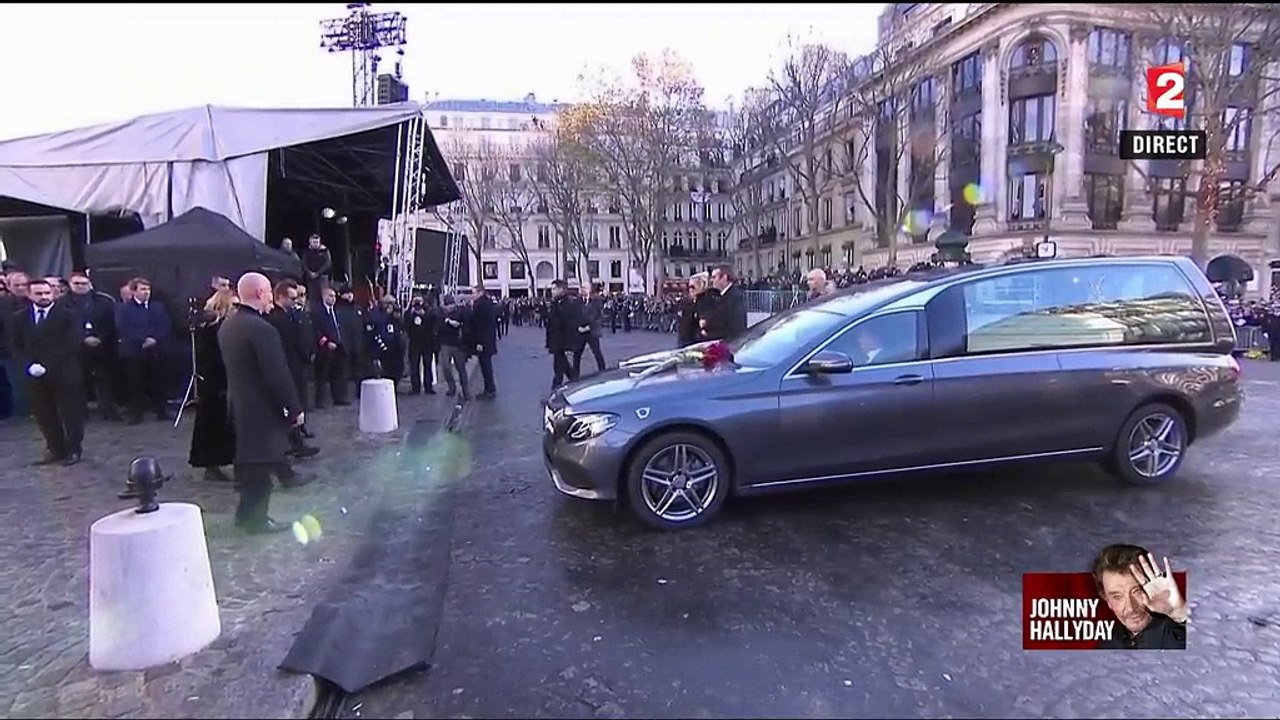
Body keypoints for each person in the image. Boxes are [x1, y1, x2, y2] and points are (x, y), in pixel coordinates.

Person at [219, 273, 308, 535]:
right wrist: (293, 409)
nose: (271, 296)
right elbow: (276, 373)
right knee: (260, 466)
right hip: (262, 407)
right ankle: (256, 519)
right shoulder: (262, 329)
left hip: (240, 403)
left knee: (248, 463)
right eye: (269, 291)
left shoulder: (229, 325)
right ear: (260, 293)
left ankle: (245, 513)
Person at [9, 278, 85, 465]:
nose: (43, 297)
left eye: (46, 293)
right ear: (29, 295)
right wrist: (29, 364)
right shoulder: (18, 318)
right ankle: (55, 448)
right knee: (44, 414)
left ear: (52, 293)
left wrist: (47, 364)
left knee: (71, 413)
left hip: (64, 372)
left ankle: (73, 450)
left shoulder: (69, 315)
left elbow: (72, 343)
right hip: (34, 375)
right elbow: (15, 346)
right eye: (38, 293)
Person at [1092, 544, 1188, 650]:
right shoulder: (1108, 642)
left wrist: (1180, 614)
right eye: (1117, 597)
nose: (1131, 608)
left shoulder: (1178, 637)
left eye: (1138, 591)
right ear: (1107, 600)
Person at [188, 288, 237, 483]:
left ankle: (220, 461)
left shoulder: (221, 328)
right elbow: (210, 359)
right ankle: (211, 464)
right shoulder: (212, 330)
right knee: (214, 425)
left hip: (220, 381)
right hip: (216, 384)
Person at [62, 272, 120, 421]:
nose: (81, 286)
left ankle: (109, 410)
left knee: (105, 380)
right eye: (77, 284)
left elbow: (112, 323)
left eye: (83, 283)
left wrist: (100, 337)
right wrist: (83, 338)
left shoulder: (104, 301)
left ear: (89, 284)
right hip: (76, 349)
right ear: (70, 284)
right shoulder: (61, 303)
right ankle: (80, 413)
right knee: (78, 381)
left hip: (102, 347)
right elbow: (63, 326)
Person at [115, 277, 172, 424]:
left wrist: (154, 338)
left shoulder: (158, 307)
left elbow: (165, 325)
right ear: (134, 291)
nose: (146, 292)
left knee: (159, 382)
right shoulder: (124, 308)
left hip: (156, 350)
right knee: (136, 383)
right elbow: (124, 328)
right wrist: (142, 339)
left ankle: (162, 411)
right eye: (142, 289)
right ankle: (136, 414)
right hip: (134, 351)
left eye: (148, 289)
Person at [311, 286, 351, 408]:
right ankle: (320, 401)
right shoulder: (317, 312)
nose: (333, 299)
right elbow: (316, 330)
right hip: (324, 347)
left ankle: (339, 397)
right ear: (324, 296)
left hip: (339, 346)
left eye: (334, 296)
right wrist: (326, 342)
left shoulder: (337, 311)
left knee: (339, 373)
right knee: (322, 375)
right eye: (330, 296)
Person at [545, 279, 587, 390]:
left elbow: (568, 324)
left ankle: (554, 393)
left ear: (561, 289)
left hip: (561, 343)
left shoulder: (565, 304)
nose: (552, 291)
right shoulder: (556, 303)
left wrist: (569, 344)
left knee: (559, 371)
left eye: (554, 289)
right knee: (565, 370)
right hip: (557, 343)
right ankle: (577, 386)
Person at [436, 294, 470, 400]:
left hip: (458, 344)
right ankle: (452, 387)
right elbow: (438, 327)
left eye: (451, 305)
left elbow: (464, 325)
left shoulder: (459, 312)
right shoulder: (440, 314)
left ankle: (466, 391)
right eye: (448, 305)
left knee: (461, 368)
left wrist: (455, 323)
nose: (449, 307)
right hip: (445, 342)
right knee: (445, 367)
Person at [703, 264, 747, 342]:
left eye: (714, 277)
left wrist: (708, 332)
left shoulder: (735, 297)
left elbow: (736, 328)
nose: (711, 280)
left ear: (724, 277)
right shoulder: (722, 295)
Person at [469, 285, 499, 399]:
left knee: (486, 366)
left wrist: (480, 342)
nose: (472, 295)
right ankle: (489, 389)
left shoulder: (481, 305)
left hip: (484, 341)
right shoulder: (486, 303)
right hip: (487, 340)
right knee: (486, 366)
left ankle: (490, 390)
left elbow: (482, 326)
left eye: (474, 293)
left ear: (480, 293)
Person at [403, 294, 437, 394]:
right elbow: (405, 324)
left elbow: (434, 319)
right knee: (414, 365)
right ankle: (415, 387)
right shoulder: (409, 313)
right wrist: (411, 312)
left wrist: (424, 313)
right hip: (414, 342)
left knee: (428, 365)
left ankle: (428, 386)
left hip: (427, 342)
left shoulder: (428, 311)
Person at [573, 283, 607, 374]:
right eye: (582, 288)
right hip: (579, 332)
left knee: (597, 353)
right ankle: (575, 376)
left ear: (589, 289)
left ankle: (603, 372)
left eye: (585, 288)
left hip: (592, 331)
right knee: (576, 355)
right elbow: (572, 316)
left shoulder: (596, 301)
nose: (583, 290)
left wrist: (590, 327)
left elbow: (600, 317)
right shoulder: (576, 302)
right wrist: (577, 327)